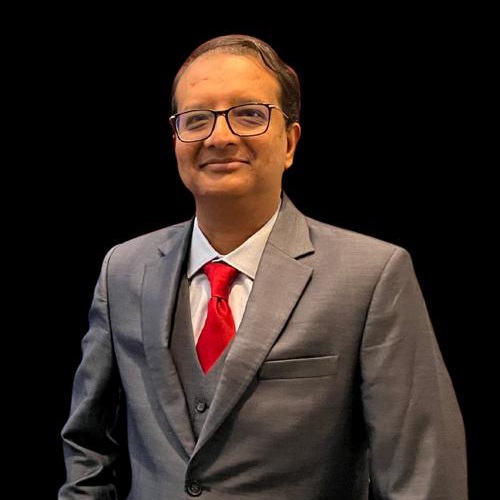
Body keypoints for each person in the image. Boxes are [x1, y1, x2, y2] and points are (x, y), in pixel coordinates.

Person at [59, 34, 467, 499]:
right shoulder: (124, 271)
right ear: (175, 141)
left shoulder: (371, 277)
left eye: (249, 115)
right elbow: (88, 445)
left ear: (290, 142)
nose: (219, 137)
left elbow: (423, 474)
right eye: (197, 119)